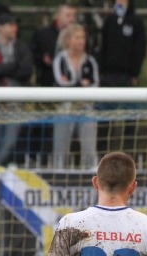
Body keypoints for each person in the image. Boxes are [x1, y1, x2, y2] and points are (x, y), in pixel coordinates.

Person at [0, 12, 33, 166]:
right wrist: (13, 65)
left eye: (15, 25)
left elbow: (26, 70)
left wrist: (0, 66)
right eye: (10, 25)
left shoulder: (21, 46)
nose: (14, 28)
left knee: (9, 141)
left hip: (15, 101)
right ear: (0, 27)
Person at [96, 0, 146, 153]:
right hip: (107, 77)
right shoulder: (109, 21)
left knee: (130, 117)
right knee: (104, 118)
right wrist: (102, 72)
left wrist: (134, 74)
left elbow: (140, 49)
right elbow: (102, 46)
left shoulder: (136, 22)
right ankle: (102, 152)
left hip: (127, 77)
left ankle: (128, 153)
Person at [51, 23, 99, 170]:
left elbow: (94, 84)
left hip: (85, 107)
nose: (81, 41)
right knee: (61, 146)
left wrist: (75, 84)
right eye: (77, 37)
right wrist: (81, 84)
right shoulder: (60, 59)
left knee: (89, 146)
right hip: (65, 108)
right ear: (68, 40)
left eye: (83, 38)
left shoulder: (90, 60)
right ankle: (58, 173)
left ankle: (92, 174)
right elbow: (61, 82)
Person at [31, 3, 78, 88]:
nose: (72, 19)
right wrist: (42, 59)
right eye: (68, 15)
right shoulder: (42, 34)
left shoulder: (80, 36)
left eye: (74, 16)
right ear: (58, 16)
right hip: (48, 80)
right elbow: (32, 54)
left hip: (73, 82)